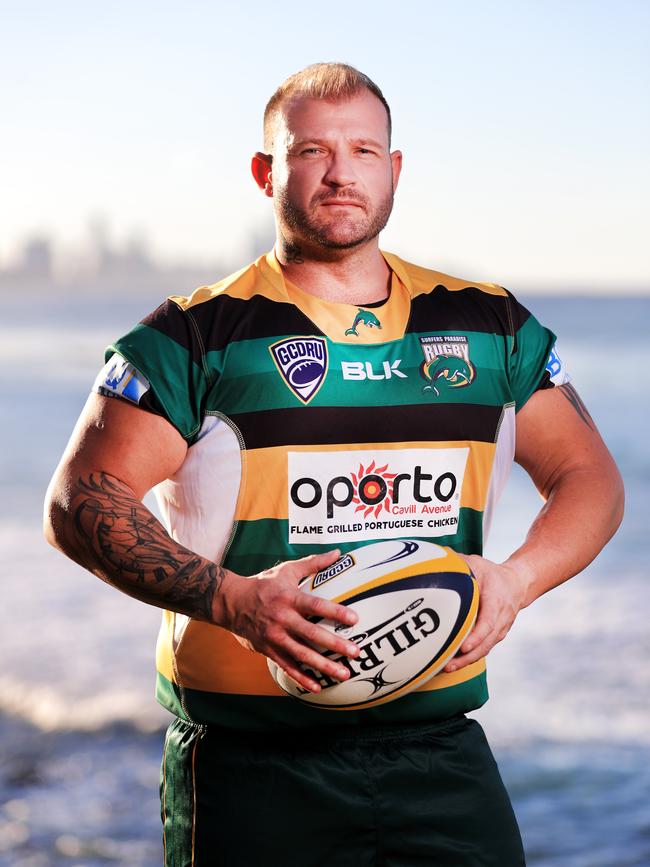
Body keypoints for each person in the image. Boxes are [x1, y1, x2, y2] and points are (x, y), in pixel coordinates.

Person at [44, 63, 624, 866]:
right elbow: (80, 499)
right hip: (248, 761)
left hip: (439, 753)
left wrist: (518, 578)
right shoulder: (194, 333)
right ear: (266, 172)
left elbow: (590, 478)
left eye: (362, 149)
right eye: (311, 149)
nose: (340, 171)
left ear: (395, 169)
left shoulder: (488, 323)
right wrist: (235, 600)